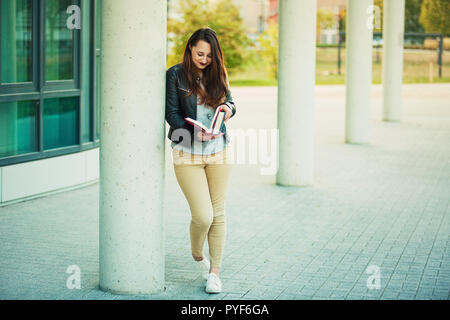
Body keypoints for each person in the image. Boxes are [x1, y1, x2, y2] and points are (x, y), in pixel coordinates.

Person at [165, 28, 236, 294]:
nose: (204, 60)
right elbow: (171, 113)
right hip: (187, 153)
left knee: (218, 214)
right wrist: (194, 131)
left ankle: (214, 273)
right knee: (203, 215)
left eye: (209, 56)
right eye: (199, 54)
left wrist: (228, 109)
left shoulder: (218, 73)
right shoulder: (175, 75)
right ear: (190, 48)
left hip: (219, 151)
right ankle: (196, 252)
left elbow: (231, 101)